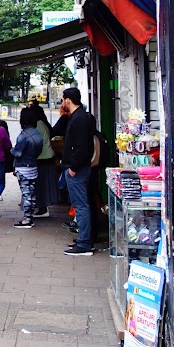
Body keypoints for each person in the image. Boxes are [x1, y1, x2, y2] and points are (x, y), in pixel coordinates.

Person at [61, 88, 96, 256]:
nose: (62, 104)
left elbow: (82, 147)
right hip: (78, 167)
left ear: (68, 100)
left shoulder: (79, 118)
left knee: (81, 206)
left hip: (77, 169)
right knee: (82, 205)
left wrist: (73, 168)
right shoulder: (80, 117)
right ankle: (84, 238)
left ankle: (84, 243)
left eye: (63, 100)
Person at [10, 107, 43, 229]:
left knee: (26, 194)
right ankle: (30, 217)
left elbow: (17, 153)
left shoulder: (23, 136)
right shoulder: (37, 133)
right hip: (33, 165)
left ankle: (27, 219)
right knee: (32, 193)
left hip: (23, 167)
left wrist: (11, 150)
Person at [32, 104, 57, 217]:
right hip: (47, 157)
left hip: (42, 157)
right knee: (44, 183)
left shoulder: (37, 125)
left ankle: (42, 208)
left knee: (40, 184)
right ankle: (42, 207)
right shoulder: (42, 123)